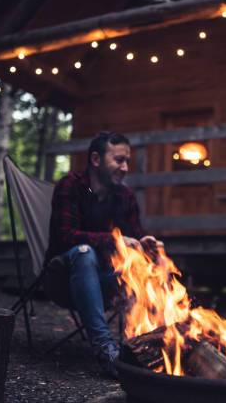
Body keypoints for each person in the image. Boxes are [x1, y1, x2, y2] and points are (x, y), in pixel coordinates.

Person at [45, 131, 158, 377]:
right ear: (96, 160)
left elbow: (133, 239)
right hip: (63, 278)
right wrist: (115, 240)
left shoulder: (124, 196)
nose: (126, 167)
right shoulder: (70, 186)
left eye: (127, 161)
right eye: (119, 160)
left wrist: (143, 243)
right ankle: (106, 349)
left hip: (106, 283)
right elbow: (65, 237)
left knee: (142, 264)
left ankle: (142, 346)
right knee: (84, 253)